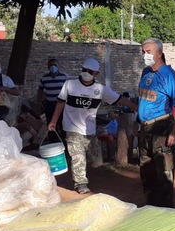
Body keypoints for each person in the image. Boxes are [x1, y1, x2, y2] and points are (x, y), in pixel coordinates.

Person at [48, 58, 137, 194]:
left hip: (89, 129)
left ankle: (90, 174)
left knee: (93, 156)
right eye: (84, 70)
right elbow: (60, 103)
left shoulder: (100, 90)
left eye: (90, 71)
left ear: (96, 74)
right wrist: (53, 121)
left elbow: (119, 99)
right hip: (71, 128)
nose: (86, 73)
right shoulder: (70, 85)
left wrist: (137, 107)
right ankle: (80, 183)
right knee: (77, 155)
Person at [136, 38, 175, 207]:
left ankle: (166, 212)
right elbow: (142, 101)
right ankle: (150, 208)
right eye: (143, 52)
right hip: (144, 128)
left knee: (163, 173)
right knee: (146, 169)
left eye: (148, 52)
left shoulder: (168, 75)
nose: (145, 55)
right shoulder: (145, 73)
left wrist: (173, 132)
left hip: (161, 127)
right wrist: (138, 123)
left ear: (160, 53)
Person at [37, 59, 68, 142]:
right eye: (50, 65)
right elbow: (40, 91)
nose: (53, 67)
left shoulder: (64, 77)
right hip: (50, 104)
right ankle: (53, 141)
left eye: (54, 65)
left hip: (62, 105)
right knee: (51, 123)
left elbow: (69, 90)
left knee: (63, 124)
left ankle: (65, 141)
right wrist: (38, 102)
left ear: (58, 66)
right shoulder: (44, 78)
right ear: (48, 66)